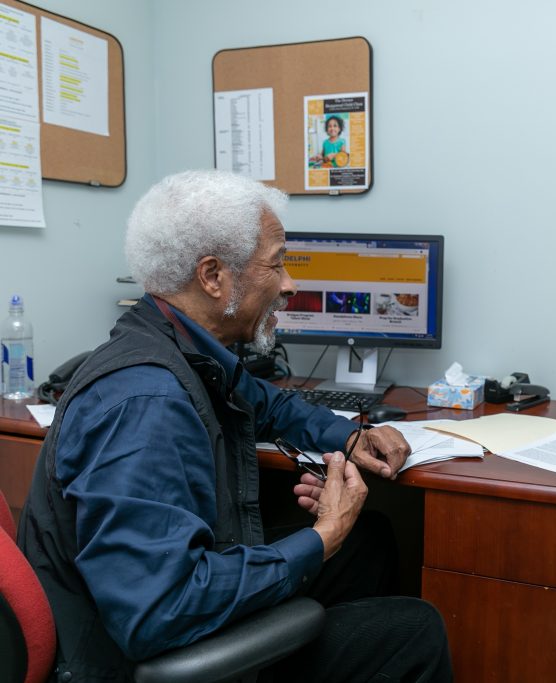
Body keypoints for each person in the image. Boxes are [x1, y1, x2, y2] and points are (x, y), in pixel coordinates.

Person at [17, 170, 452, 682]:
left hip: (174, 586)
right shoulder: (146, 404)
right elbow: (156, 613)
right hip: (130, 657)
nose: (290, 284)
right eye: (277, 264)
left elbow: (267, 403)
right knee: (414, 628)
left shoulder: (177, 344)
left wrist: (351, 437)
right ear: (213, 275)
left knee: (369, 539)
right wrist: (323, 535)